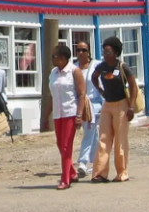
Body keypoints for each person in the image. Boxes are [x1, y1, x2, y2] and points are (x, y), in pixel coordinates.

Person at [90, 36, 139, 183]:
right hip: (107, 105)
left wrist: (131, 106)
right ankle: (99, 173)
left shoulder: (122, 67)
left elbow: (133, 86)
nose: (106, 55)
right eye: (104, 52)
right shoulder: (101, 66)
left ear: (116, 52)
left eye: (109, 52)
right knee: (103, 138)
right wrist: (101, 90)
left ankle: (122, 173)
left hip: (121, 105)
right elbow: (94, 77)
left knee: (120, 139)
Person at [44, 43, 85, 190]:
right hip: (58, 114)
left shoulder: (74, 71)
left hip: (70, 112)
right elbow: (51, 96)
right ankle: (72, 172)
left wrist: (79, 115)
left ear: (62, 58)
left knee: (67, 146)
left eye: (54, 56)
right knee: (60, 144)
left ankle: (65, 179)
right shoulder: (53, 73)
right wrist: (45, 116)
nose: (52, 59)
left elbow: (81, 95)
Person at [75, 41, 103, 178]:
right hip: (81, 105)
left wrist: (105, 103)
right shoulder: (74, 68)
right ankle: (95, 161)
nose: (81, 53)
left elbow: (102, 85)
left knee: (90, 133)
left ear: (89, 52)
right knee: (92, 134)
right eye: (78, 50)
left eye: (83, 50)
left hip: (95, 105)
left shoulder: (96, 65)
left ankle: (83, 162)